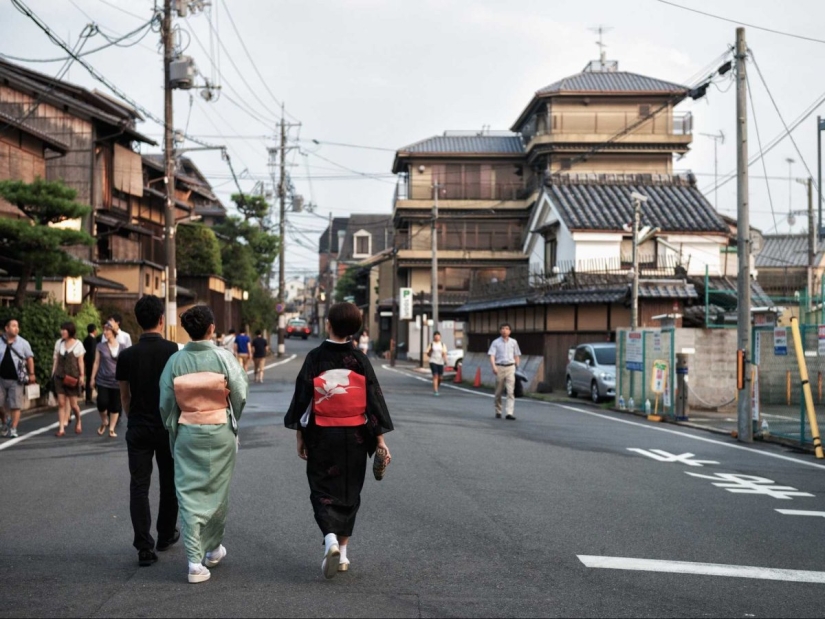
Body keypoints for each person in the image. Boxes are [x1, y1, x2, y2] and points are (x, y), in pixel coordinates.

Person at [284, 302, 394, 579]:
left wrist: (300, 434)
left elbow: (303, 400)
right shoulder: (360, 360)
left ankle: (330, 539)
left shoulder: (315, 358)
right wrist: (379, 440)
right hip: (355, 434)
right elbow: (373, 402)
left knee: (322, 487)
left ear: (329, 325)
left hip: (322, 432)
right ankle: (342, 554)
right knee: (349, 489)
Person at [159, 305, 248, 584]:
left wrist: (174, 424)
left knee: (187, 492)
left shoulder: (175, 361)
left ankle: (195, 561)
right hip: (219, 427)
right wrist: (231, 419)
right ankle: (212, 548)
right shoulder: (224, 358)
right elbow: (240, 394)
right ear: (211, 328)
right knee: (217, 490)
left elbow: (165, 403)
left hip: (187, 429)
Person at [116, 295, 181, 568]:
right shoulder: (174, 351)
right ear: (161, 320)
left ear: (137, 321)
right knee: (170, 482)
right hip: (167, 426)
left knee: (139, 486)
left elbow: (125, 398)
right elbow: (180, 392)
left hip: (139, 427)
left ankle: (144, 546)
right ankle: (165, 534)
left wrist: (134, 418)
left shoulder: (127, 355)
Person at [0, 318, 36, 439]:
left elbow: (30, 358)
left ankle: (13, 428)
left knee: (15, 405)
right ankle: (5, 422)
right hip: (1, 378)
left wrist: (32, 374)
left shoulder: (23, 343)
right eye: (13, 326)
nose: (16, 328)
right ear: (6, 328)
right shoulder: (0, 341)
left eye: (17, 326)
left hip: (17, 379)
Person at [52, 322, 85, 437]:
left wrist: (82, 376)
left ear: (70, 331)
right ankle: (61, 428)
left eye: (64, 330)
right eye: (61, 330)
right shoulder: (59, 343)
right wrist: (53, 374)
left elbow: (80, 362)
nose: (62, 332)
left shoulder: (78, 344)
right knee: (61, 403)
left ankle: (78, 420)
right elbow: (56, 359)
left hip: (72, 378)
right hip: (59, 377)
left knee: (73, 404)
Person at [91, 322, 123, 438]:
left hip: (117, 381)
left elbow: (124, 364)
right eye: (104, 330)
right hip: (102, 379)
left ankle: (111, 428)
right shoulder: (100, 346)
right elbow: (96, 362)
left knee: (115, 405)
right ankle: (104, 421)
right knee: (102, 402)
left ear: (113, 332)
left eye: (107, 330)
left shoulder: (122, 346)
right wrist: (92, 378)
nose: (105, 332)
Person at [488, 323, 522, 420]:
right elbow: (492, 355)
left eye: (507, 329)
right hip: (500, 367)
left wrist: (517, 367)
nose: (504, 330)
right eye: (502, 328)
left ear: (510, 331)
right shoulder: (495, 342)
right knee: (498, 391)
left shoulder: (513, 342)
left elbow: (516, 355)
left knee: (510, 391)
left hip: (511, 367)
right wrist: (494, 366)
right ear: (500, 331)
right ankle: (498, 410)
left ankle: (509, 413)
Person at [426, 331, 446, 396]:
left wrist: (446, 360)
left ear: (440, 337)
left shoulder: (442, 344)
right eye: (435, 336)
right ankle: (436, 390)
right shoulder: (431, 344)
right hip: (433, 361)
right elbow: (428, 354)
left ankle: (436, 386)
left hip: (440, 362)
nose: (437, 337)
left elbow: (444, 353)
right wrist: (430, 351)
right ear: (434, 337)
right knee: (435, 375)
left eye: (438, 336)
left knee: (440, 378)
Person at [83, 323, 98, 404]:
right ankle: (91, 397)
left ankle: (88, 398)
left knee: (89, 379)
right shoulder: (93, 340)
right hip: (92, 363)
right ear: (94, 330)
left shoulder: (85, 339)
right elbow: (93, 352)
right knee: (94, 379)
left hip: (87, 362)